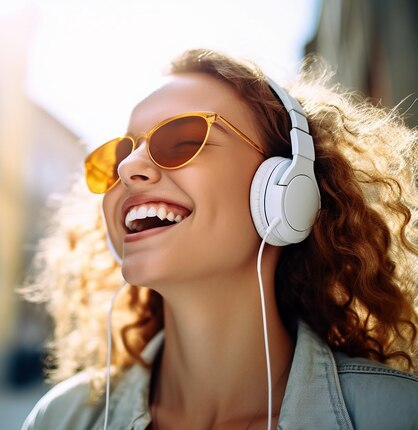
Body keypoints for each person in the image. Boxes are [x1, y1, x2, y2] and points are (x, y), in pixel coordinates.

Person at [21, 49, 418, 430]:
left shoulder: (400, 416)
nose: (128, 167)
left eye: (184, 139)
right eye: (120, 153)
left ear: (284, 192)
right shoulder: (57, 419)